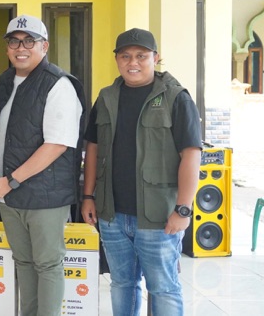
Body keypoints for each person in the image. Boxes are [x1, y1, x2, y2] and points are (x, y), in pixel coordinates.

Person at [81, 28, 202, 315]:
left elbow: (191, 154)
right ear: (117, 59)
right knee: (122, 284)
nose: (132, 62)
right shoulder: (106, 97)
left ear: (155, 58)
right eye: (125, 56)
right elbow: (93, 147)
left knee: (163, 288)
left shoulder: (176, 98)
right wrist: (88, 196)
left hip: (159, 217)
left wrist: (183, 209)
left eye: (141, 56)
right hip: (112, 215)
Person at [0, 15, 84, 316]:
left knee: (48, 264)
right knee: (24, 263)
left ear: (44, 46)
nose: (21, 48)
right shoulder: (2, 82)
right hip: (9, 195)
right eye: (14, 42)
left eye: (29, 41)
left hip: (43, 196)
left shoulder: (58, 84)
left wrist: (11, 180)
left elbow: (57, 144)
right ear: (7, 47)